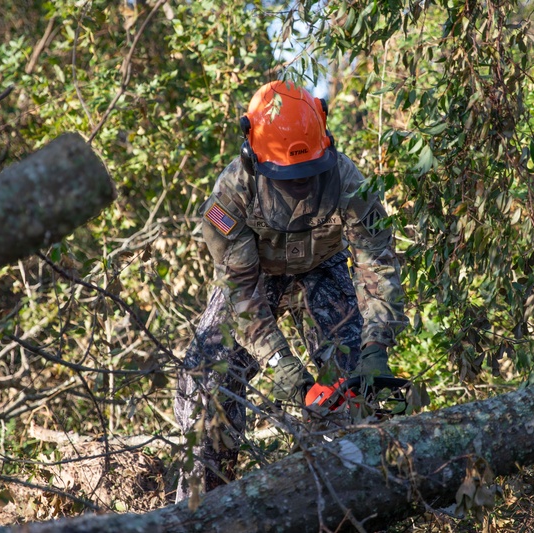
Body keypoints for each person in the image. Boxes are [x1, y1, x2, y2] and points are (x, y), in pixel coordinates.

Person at [174, 80, 407, 502]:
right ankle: (206, 503)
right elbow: (241, 293)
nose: (300, 187)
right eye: (288, 178)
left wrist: (376, 346)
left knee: (353, 375)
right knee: (209, 375)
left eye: (308, 175)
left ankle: (352, 496)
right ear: (253, 156)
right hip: (255, 276)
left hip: (323, 265)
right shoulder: (230, 198)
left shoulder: (348, 182)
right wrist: (289, 373)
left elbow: (378, 261)